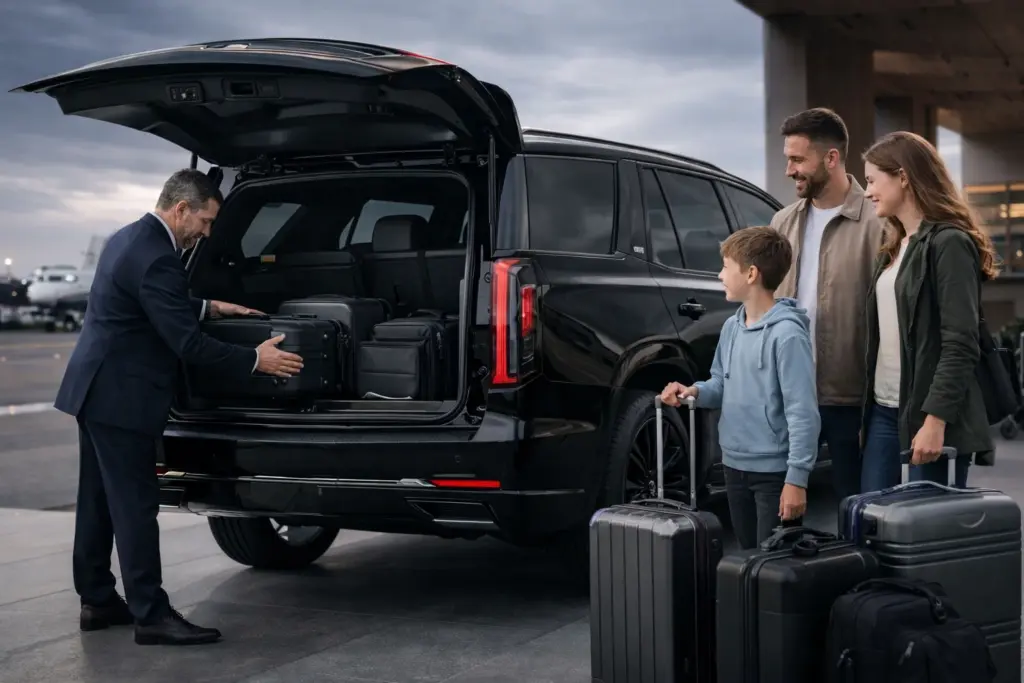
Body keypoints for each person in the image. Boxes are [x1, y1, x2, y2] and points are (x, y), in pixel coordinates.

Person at [54, 169, 305, 645]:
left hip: (95, 389)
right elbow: (189, 345)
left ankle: (98, 599)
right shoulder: (158, 256)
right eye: (206, 222)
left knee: (98, 501)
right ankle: (151, 614)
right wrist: (257, 359)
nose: (207, 233)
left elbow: (152, 301)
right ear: (181, 209)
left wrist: (211, 305)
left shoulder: (130, 238)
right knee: (134, 506)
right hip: (122, 397)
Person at [661, 227, 820, 549]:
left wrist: (797, 480)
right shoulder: (732, 327)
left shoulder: (787, 336)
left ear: (750, 273)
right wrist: (694, 391)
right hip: (734, 466)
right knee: (748, 558)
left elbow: (803, 412)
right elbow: (721, 383)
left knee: (775, 567)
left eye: (725, 266)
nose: (720, 275)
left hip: (774, 475)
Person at [859, 131, 997, 490]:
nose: (867, 191)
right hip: (883, 412)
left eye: (873, 180)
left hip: (932, 417)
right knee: (870, 523)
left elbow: (960, 343)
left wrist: (935, 421)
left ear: (903, 176)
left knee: (929, 536)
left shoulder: (949, 243)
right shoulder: (893, 248)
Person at [770, 108, 885, 499]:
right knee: (782, 510)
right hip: (789, 394)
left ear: (831, 158)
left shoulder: (878, 220)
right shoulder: (781, 223)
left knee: (853, 507)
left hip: (850, 396)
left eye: (798, 159)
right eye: (788, 158)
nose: (789, 170)